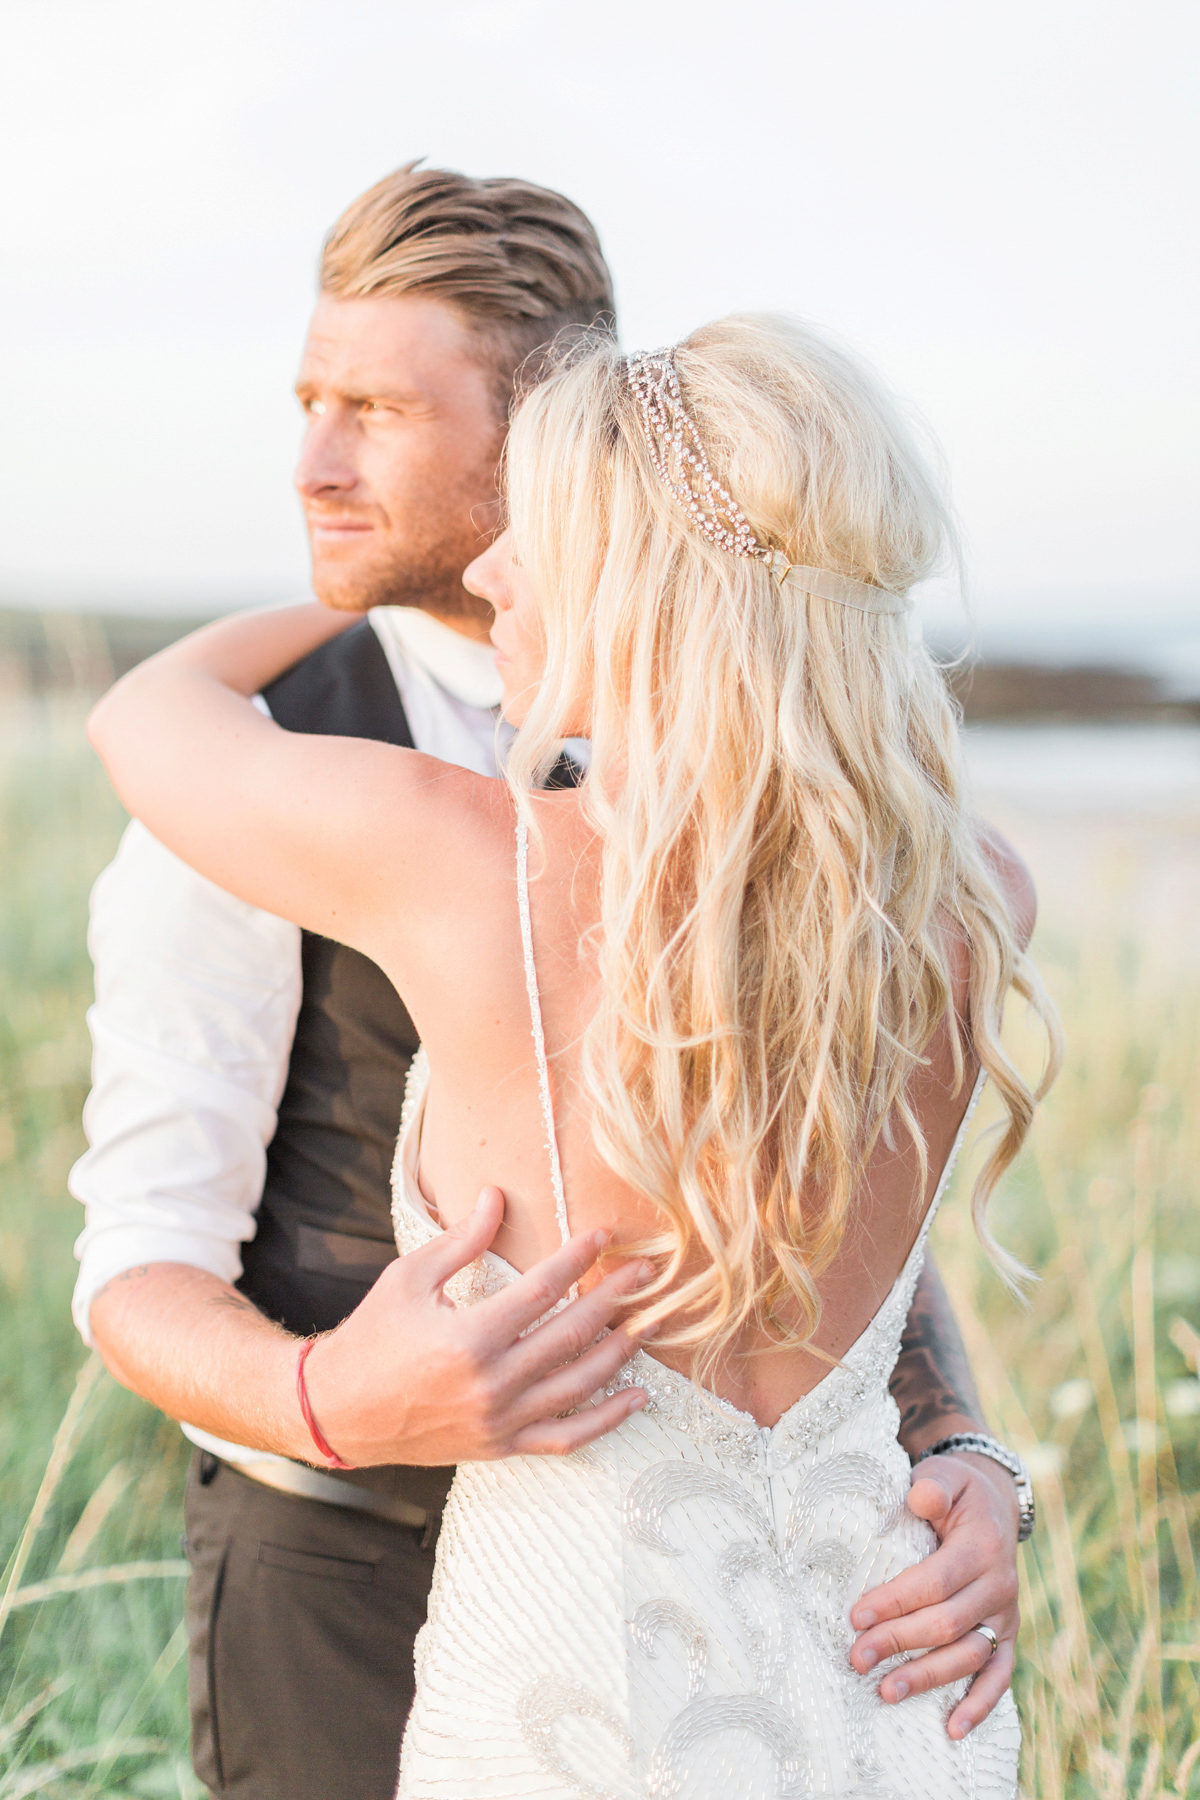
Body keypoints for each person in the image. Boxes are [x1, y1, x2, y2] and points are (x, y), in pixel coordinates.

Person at [72, 167, 1029, 1799]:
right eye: (308, 401)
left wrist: (965, 1445)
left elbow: (856, 1243)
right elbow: (136, 1254)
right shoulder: (961, 888)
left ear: (557, 468)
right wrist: (324, 1398)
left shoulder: (449, 848)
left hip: (641, 1665)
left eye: (373, 408)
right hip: (378, 1571)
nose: (316, 461)